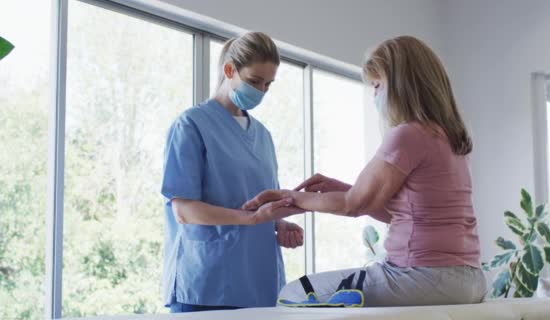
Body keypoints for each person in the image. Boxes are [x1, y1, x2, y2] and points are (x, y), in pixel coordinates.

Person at [243, 36, 488, 307]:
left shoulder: (408, 134)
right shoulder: (451, 139)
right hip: (469, 279)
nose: (374, 95)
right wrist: (343, 188)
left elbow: (353, 205)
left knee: (293, 294)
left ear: (401, 86)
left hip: (422, 276)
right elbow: (395, 212)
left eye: (377, 85)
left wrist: (291, 196)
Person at [160, 32, 304, 313]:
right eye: (254, 81)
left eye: (268, 84)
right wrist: (251, 219)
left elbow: (258, 203)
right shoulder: (191, 125)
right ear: (229, 70)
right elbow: (184, 210)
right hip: (206, 284)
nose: (261, 91)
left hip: (259, 283)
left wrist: (277, 224)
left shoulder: (263, 136)